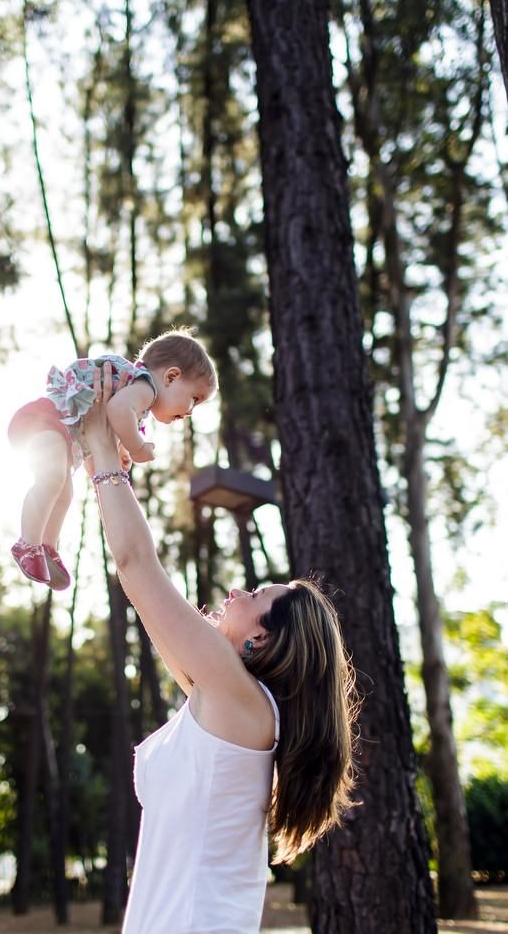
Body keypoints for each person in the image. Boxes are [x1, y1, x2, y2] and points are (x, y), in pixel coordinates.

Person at [80, 362, 359, 934]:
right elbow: (146, 599)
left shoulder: (240, 701)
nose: (236, 590)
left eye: (254, 594)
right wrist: (100, 454)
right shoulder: (226, 701)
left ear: (261, 637)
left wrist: (101, 449)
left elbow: (138, 570)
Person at [8, 329, 217, 588]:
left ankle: (47, 547)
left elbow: (112, 417)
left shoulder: (137, 398)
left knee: (63, 491)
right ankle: (27, 544)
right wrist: (137, 447)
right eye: (194, 399)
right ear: (171, 376)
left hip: (58, 432)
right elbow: (117, 409)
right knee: (52, 478)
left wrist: (119, 451)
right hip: (45, 419)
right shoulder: (146, 388)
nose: (190, 412)